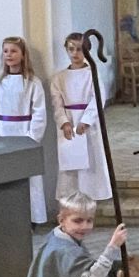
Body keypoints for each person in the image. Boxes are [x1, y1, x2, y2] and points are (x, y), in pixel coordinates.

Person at [23, 192, 126, 277]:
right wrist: (112, 247)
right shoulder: (67, 251)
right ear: (61, 220)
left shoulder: (56, 235)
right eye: (78, 221)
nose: (85, 226)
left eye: (89, 221)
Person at [0, 36, 49, 225]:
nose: (9, 55)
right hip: (4, 135)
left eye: (13, 51)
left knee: (29, 178)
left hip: (25, 134)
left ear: (22, 55)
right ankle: (8, 217)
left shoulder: (33, 82)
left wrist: (32, 137)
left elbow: (39, 112)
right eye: (6, 51)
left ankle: (32, 218)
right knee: (6, 178)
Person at [49, 33, 111, 201]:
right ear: (66, 50)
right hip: (69, 121)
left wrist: (86, 120)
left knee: (91, 158)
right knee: (70, 161)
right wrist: (64, 122)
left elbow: (98, 98)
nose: (75, 53)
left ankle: (92, 196)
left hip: (87, 122)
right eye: (71, 49)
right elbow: (57, 103)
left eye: (79, 49)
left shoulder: (92, 74)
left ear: (87, 51)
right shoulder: (59, 78)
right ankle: (71, 198)